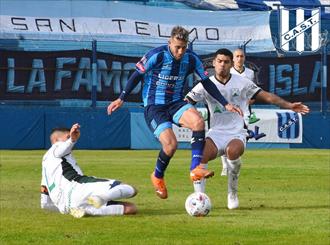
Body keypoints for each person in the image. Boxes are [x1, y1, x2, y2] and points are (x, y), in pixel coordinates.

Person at [107, 26, 242, 199]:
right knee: (171, 145)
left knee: (198, 122)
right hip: (154, 106)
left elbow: (207, 83)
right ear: (169, 42)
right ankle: (157, 176)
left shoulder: (191, 59)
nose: (180, 51)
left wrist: (226, 103)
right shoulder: (157, 55)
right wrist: (121, 98)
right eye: (177, 47)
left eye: (184, 47)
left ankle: (196, 168)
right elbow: (136, 76)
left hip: (176, 103)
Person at [186, 48, 309, 209]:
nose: (222, 65)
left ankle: (232, 193)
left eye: (226, 62)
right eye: (219, 61)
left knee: (232, 151)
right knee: (200, 156)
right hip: (215, 133)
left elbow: (267, 96)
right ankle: (199, 199)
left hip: (237, 132)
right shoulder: (204, 85)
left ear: (231, 64)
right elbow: (186, 102)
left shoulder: (241, 82)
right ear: (214, 63)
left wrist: (289, 105)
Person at [40, 123, 137, 218]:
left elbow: (45, 203)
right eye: (67, 136)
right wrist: (72, 140)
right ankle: (100, 198)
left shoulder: (45, 165)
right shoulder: (56, 147)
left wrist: (64, 208)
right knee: (131, 189)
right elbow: (61, 149)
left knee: (131, 208)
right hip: (78, 188)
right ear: (56, 140)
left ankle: (85, 210)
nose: (69, 138)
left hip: (68, 206)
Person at [219, 48, 258, 176]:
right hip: (229, 110)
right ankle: (225, 166)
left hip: (244, 111)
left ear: (244, 58)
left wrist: (251, 100)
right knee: (226, 136)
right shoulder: (227, 71)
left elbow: (254, 91)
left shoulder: (250, 73)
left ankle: (233, 161)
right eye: (237, 56)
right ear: (233, 59)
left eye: (241, 56)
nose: (239, 59)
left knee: (239, 138)